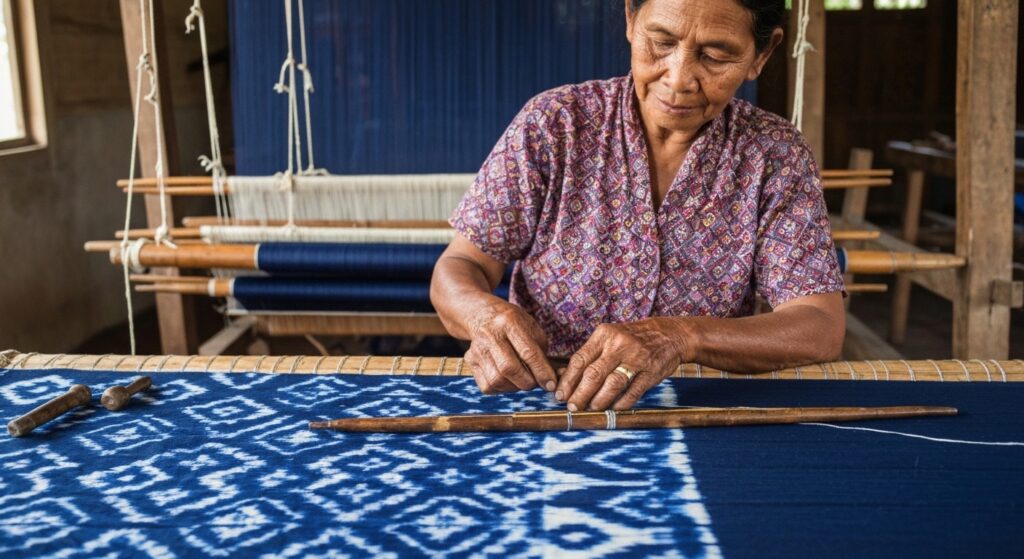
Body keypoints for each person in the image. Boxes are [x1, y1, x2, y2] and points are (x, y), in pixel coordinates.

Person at [430, 0, 845, 412]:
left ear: (763, 54)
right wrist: (484, 317)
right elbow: (462, 265)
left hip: (696, 408)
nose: (679, 78)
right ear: (631, 19)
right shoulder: (555, 125)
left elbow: (819, 324)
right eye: (661, 43)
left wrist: (681, 337)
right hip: (545, 400)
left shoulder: (773, 155)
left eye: (715, 56)